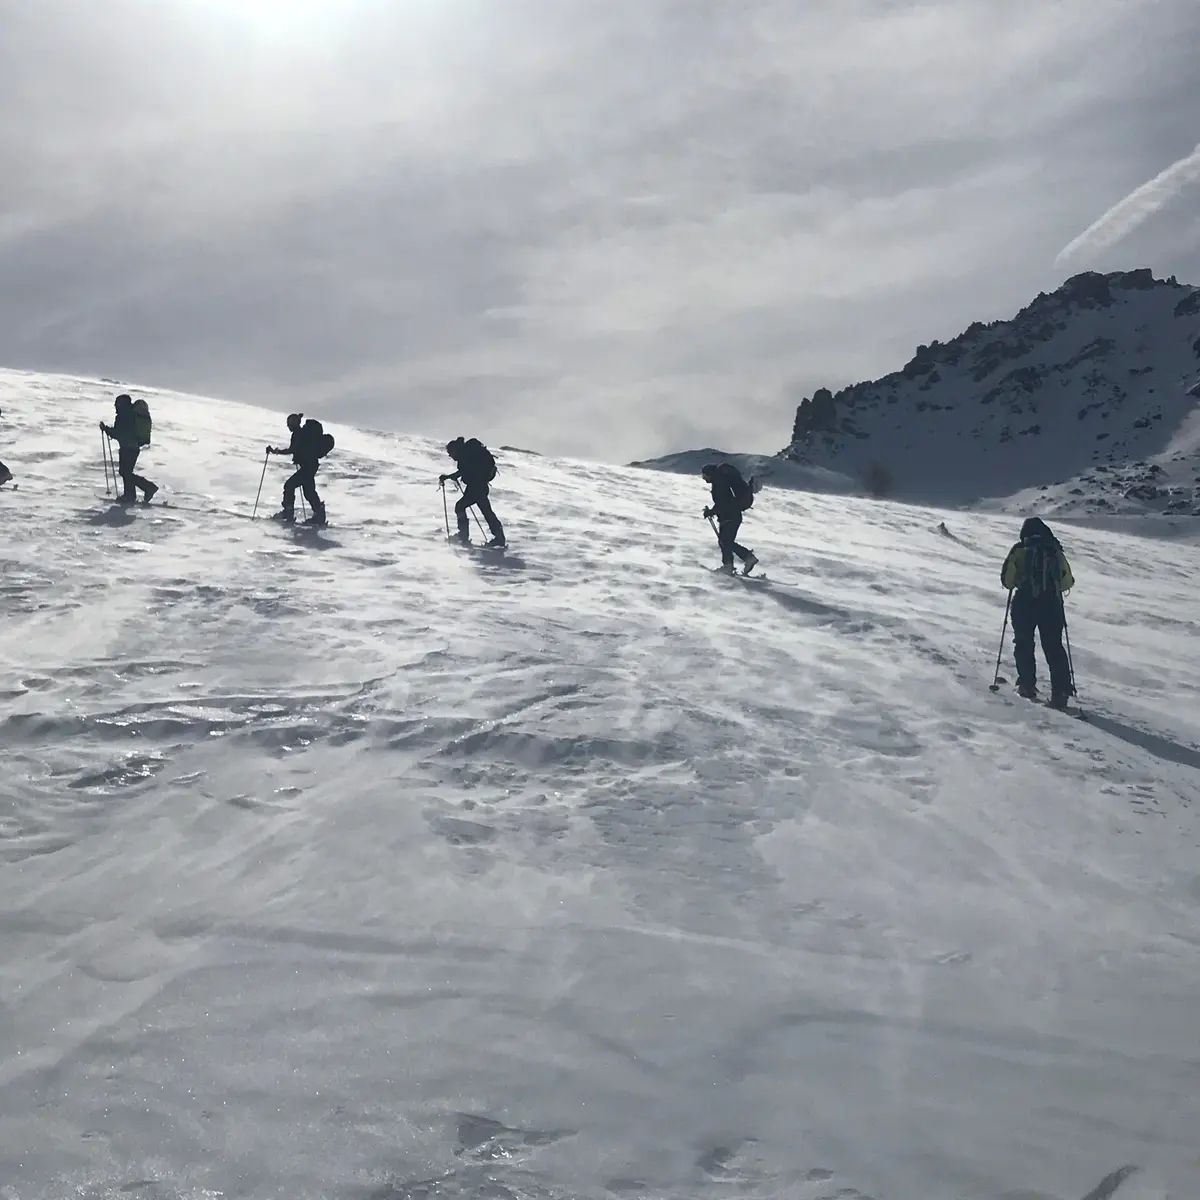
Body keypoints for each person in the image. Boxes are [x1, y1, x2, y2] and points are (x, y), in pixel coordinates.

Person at [1000, 517, 1075, 707]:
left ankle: (1027, 685)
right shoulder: (1054, 551)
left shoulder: (1019, 550)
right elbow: (1067, 582)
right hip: (1050, 604)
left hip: (1024, 603)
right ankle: (1060, 693)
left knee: (1023, 643)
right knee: (1054, 647)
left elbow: (1007, 581)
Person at [440, 437, 505, 547]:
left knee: (460, 507)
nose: (450, 456)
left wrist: (448, 477)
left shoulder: (466, 456)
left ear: (455, 449)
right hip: (478, 486)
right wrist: (449, 477)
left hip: (477, 487)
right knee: (486, 511)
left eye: (450, 453)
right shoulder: (466, 455)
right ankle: (499, 537)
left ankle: (463, 536)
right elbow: (464, 471)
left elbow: (464, 471)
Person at [267, 413, 327, 526]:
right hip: (310, 466)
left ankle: (288, 513)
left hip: (308, 466)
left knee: (289, 485)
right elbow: (294, 449)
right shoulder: (299, 434)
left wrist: (276, 451)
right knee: (308, 492)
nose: (288, 426)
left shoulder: (299, 434)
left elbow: (292, 450)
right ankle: (319, 515)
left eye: (289, 424)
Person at [702, 462, 758, 575]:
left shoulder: (719, 483)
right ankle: (732, 563)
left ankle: (743, 559)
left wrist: (711, 512)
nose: (704, 479)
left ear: (709, 474)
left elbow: (723, 502)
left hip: (730, 517)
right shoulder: (720, 482)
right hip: (731, 516)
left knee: (725, 541)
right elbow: (723, 501)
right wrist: (713, 511)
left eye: (704, 476)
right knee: (724, 541)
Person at [101, 394, 157, 503]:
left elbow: (119, 433)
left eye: (117, 403)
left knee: (125, 472)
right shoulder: (130, 414)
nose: (115, 406)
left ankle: (145, 489)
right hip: (133, 447)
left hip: (128, 447)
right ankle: (133, 494)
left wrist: (106, 429)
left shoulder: (123, 415)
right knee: (126, 472)